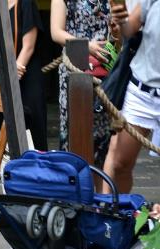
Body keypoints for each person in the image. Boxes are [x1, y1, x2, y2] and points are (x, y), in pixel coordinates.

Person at [102, 0, 160, 194]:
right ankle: (118, 217)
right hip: (140, 89)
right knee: (120, 163)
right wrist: (122, 20)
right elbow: (129, 30)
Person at [0, 0, 47, 151]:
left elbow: (28, 46)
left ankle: (34, 172)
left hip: (27, 77)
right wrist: (8, 68)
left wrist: (14, 73)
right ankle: (1, 173)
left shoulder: (26, 4)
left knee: (33, 131)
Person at [50, 0, 114, 167]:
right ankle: (75, 185)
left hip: (104, 70)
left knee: (103, 137)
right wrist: (87, 46)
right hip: (75, 69)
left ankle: (102, 190)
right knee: (76, 132)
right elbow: (56, 32)